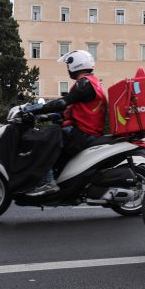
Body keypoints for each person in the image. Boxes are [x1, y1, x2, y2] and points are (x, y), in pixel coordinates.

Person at [26, 50, 107, 196]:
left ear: (76, 64)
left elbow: (63, 103)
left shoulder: (84, 83)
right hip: (86, 130)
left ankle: (47, 182)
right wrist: (44, 117)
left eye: (68, 65)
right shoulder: (92, 83)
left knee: (45, 141)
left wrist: (34, 109)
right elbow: (69, 112)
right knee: (52, 135)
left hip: (83, 132)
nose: (67, 69)